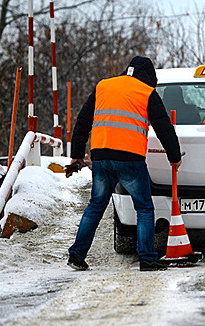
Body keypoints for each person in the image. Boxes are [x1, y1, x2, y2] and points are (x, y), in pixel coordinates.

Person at [67, 56, 181, 272]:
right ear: (149, 77)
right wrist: (174, 157)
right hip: (130, 158)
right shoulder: (147, 92)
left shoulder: (103, 86)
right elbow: (164, 127)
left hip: (101, 156)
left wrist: (77, 154)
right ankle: (147, 258)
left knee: (95, 206)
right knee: (145, 208)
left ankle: (77, 255)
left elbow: (83, 120)